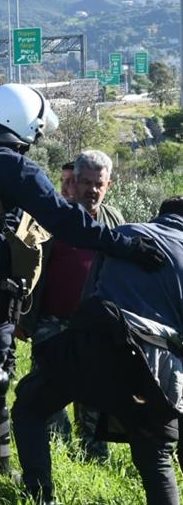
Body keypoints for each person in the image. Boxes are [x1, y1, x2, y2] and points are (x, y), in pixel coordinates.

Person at [0, 83, 165, 472]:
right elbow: (67, 221)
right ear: (22, 123)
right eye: (36, 130)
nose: (37, 138)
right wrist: (126, 245)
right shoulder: (13, 164)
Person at [13, 196, 183, 505]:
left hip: (95, 344)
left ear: (162, 216)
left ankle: (39, 496)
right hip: (153, 365)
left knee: (29, 405)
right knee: (156, 454)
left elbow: (89, 296)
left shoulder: (127, 234)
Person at [17, 149, 124, 459]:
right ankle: (55, 451)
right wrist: (23, 317)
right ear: (73, 183)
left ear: (108, 185)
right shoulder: (51, 217)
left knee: (96, 391)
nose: (92, 189)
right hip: (53, 320)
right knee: (48, 387)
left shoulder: (114, 219)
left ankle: (93, 454)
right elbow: (29, 266)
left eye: (98, 183)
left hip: (98, 325)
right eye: (85, 182)